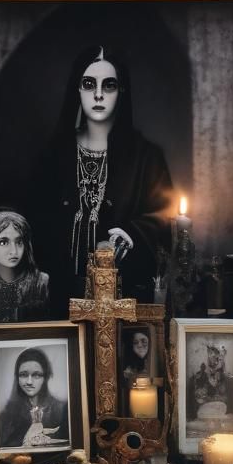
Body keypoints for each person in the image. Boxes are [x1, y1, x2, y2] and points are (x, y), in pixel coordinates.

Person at [32, 45, 173, 312]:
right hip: (59, 296)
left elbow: (165, 213)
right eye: (89, 84)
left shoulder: (146, 157)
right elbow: (33, 215)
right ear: (78, 89)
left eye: (108, 86)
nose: (98, 94)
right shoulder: (53, 155)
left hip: (122, 293)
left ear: (121, 91)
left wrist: (132, 233)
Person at [0, 347, 69, 449]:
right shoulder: (6, 416)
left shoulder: (62, 410)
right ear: (17, 378)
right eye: (23, 375)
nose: (29, 382)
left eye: (36, 375)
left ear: (46, 377)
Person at [187, 341, 233, 421]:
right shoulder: (197, 378)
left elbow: (227, 399)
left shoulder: (228, 380)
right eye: (212, 358)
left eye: (219, 359)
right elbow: (198, 399)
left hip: (222, 417)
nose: (216, 362)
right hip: (202, 417)